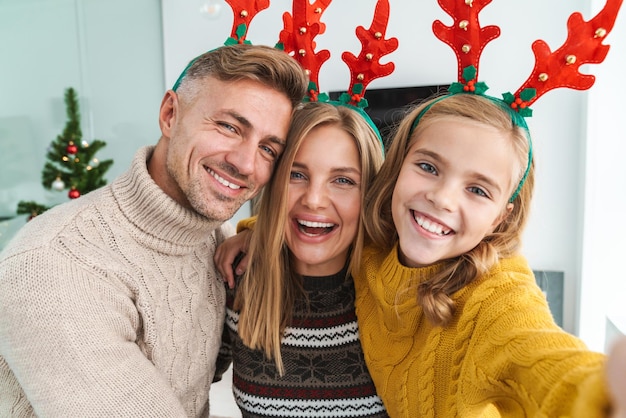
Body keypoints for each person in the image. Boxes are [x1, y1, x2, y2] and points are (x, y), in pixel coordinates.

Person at [219, 92, 626, 417]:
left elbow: (538, 356)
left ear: (503, 217)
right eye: (429, 167)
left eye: (478, 189)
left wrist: (601, 391)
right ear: (396, 173)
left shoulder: (494, 297)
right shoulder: (366, 257)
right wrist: (258, 231)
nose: (442, 198)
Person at [0, 44, 308, 417]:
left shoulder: (216, 239)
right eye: (229, 126)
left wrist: (264, 237)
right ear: (169, 114)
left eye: (268, 149)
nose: (245, 163)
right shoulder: (56, 265)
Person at [214, 101, 388, 417]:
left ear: (371, 195)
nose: (314, 199)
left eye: (344, 180)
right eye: (296, 174)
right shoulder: (238, 281)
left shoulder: (396, 297)